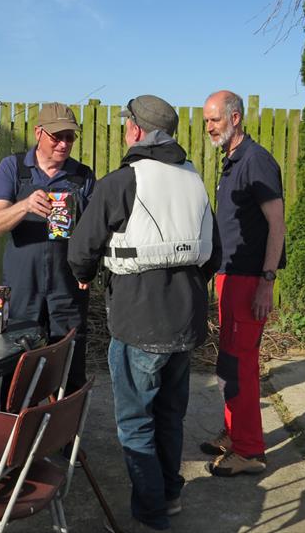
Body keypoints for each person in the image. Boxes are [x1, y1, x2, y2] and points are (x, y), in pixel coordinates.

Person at [68, 95, 221, 532]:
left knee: (136, 422)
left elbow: (81, 249)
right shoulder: (194, 181)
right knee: (170, 416)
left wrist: (83, 275)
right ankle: (169, 496)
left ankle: (151, 514)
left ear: (135, 130)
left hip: (139, 323)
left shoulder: (122, 182)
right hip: (186, 323)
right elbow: (214, 253)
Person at [199, 90, 285, 477]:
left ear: (235, 118)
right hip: (229, 277)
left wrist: (267, 281)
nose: (209, 127)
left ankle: (249, 451)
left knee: (241, 365)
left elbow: (277, 225)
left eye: (214, 120)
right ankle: (235, 433)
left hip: (249, 279)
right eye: (206, 121)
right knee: (229, 361)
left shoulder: (257, 161)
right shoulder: (233, 160)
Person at [0, 102, 95, 400]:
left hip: (67, 288)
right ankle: (14, 435)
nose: (63, 144)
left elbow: (93, 232)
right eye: (56, 136)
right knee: (19, 368)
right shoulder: (14, 168)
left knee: (70, 369)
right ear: (38, 133)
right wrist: (24, 206)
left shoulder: (82, 176)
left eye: (70, 137)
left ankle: (65, 441)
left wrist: (90, 264)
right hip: (24, 287)